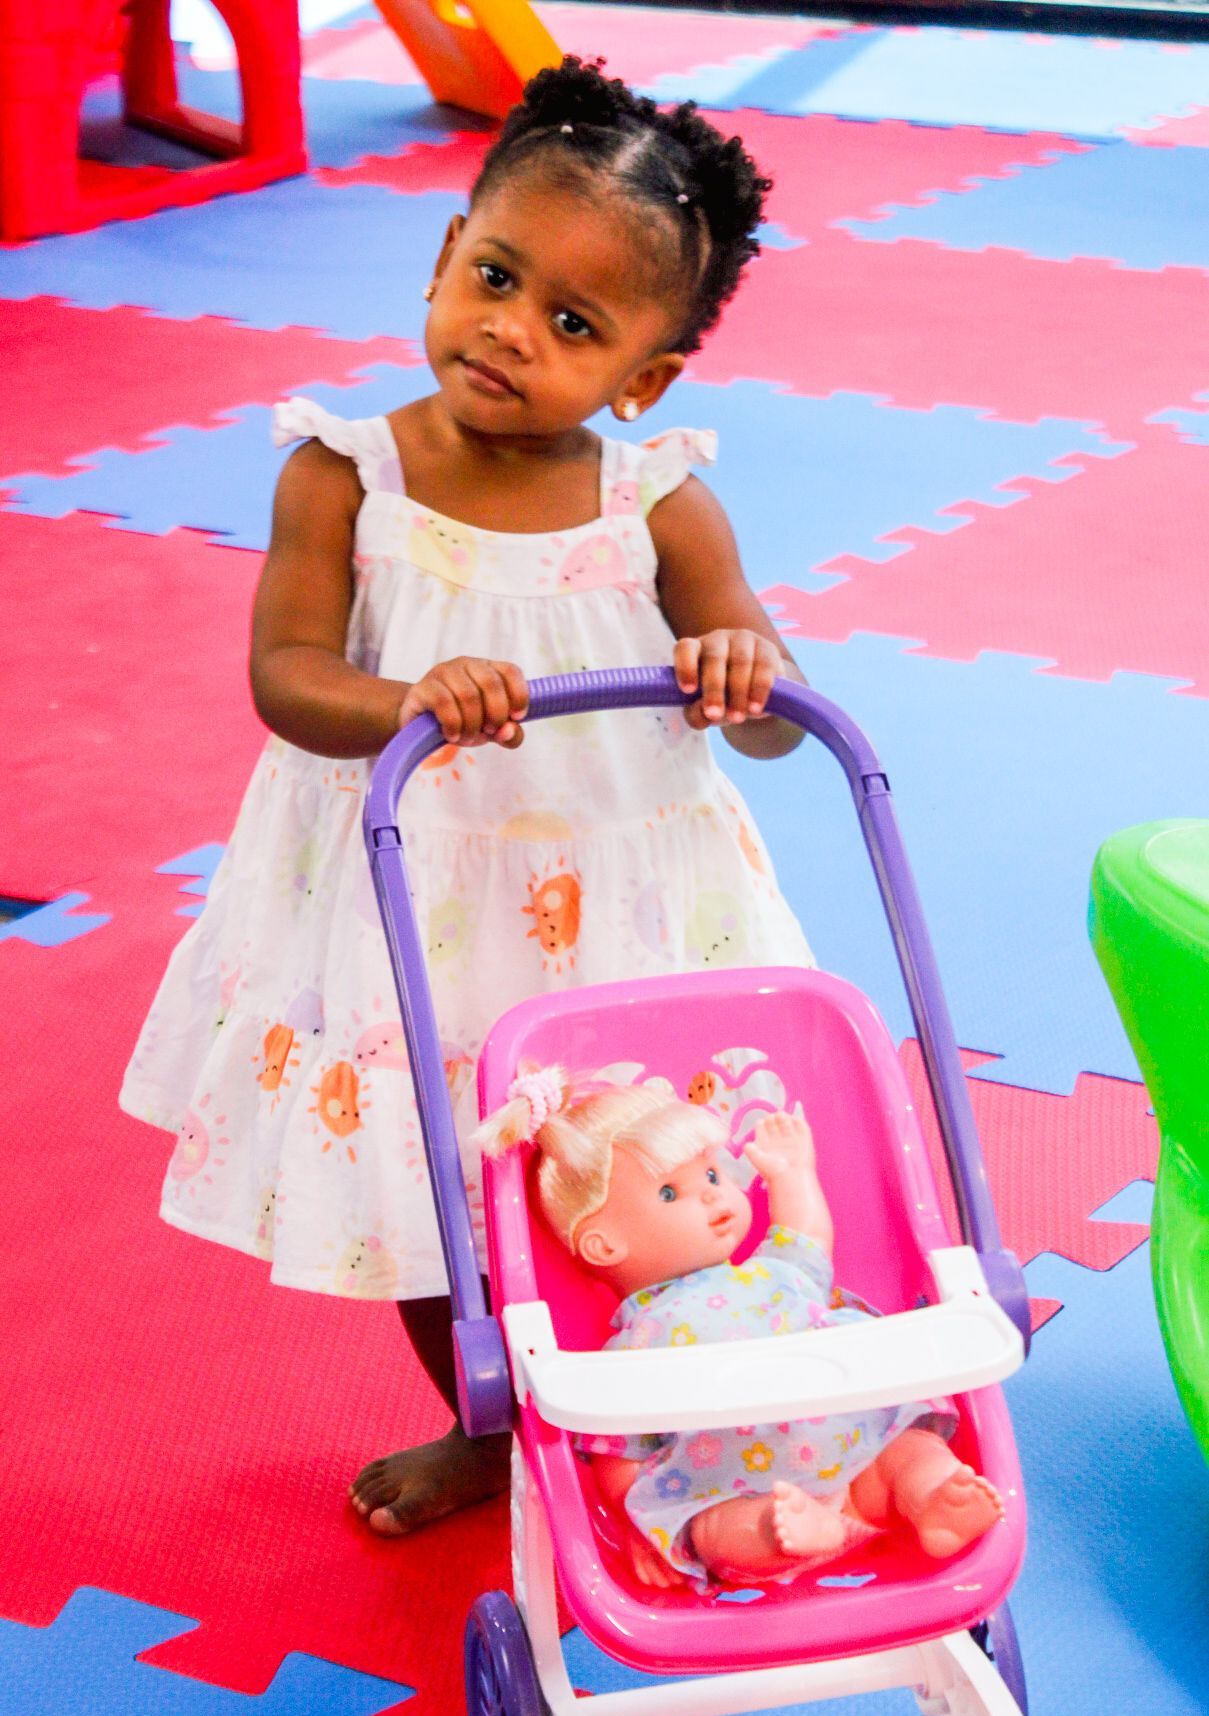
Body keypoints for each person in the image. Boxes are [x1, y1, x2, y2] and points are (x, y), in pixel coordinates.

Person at [120, 55, 817, 1538]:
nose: (511, 328)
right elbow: (286, 676)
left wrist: (739, 662)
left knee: (654, 1170)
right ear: (445, 257)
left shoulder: (659, 504)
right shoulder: (344, 474)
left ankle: (667, 1395)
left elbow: (768, 725)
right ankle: (486, 1430)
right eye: (495, 275)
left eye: (573, 322)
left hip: (625, 912)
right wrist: (408, 702)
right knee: (431, 1197)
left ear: (642, 377)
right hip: (406, 906)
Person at [477, 1071, 1005, 1588]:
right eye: (669, 1193)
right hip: (738, 1486)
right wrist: (640, 1527)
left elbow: (807, 1235)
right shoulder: (633, 1345)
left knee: (908, 1448)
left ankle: (932, 1499)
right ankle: (787, 1536)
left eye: (711, 1176)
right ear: (604, 1244)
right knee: (710, 1528)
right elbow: (620, 1460)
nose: (713, 1195)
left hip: (859, 1446)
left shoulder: (775, 1271)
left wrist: (792, 1173)